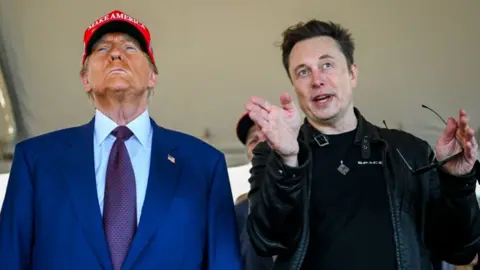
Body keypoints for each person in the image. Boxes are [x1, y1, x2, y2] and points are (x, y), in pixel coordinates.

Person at [0, 10, 241, 270]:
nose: (116, 53)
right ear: (85, 79)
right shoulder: (36, 160)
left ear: (152, 76)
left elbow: (224, 262)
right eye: (102, 48)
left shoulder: (203, 164)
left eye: (130, 47)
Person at [245, 20, 480, 270]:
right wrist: (288, 161)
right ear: (294, 85)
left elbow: (460, 250)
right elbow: (266, 241)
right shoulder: (273, 156)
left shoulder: (409, 151)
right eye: (303, 72)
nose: (317, 80)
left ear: (352, 73)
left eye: (327, 65)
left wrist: (457, 181)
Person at [234, 112, 273, 270]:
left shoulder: (314, 196)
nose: (261, 145)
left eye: (269, 137)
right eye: (254, 140)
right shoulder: (238, 213)